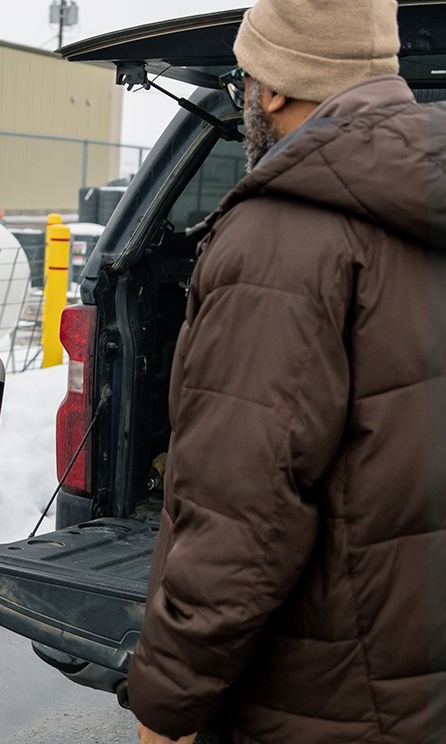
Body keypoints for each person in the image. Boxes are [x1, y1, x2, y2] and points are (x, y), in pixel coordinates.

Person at [128, 1, 441, 742]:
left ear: (271, 88)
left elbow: (244, 510)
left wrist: (168, 699)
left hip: (319, 695)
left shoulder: (282, 234)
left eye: (244, 75)